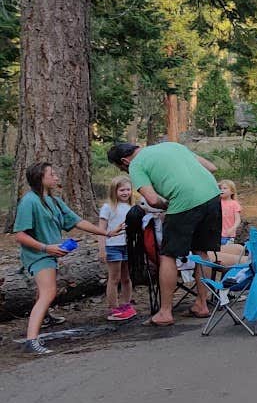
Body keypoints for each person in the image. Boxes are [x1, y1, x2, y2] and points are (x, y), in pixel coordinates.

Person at [107, 141, 220, 327]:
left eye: (122, 168)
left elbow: (151, 199)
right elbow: (211, 167)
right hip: (212, 195)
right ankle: (202, 303)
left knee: (168, 255)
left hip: (184, 201)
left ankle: (165, 312)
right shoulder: (171, 145)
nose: (125, 171)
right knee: (201, 251)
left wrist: (167, 205)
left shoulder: (136, 164)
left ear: (124, 161)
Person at [13, 162, 110, 354]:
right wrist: (46, 247)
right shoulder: (29, 201)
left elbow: (77, 221)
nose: (56, 177)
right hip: (38, 254)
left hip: (50, 253)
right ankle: (31, 341)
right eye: (52, 174)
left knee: (44, 290)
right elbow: (20, 235)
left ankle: (45, 317)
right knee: (48, 292)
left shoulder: (54, 200)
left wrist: (106, 233)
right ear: (40, 178)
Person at [97, 176, 138, 323]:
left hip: (128, 246)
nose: (125, 193)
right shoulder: (108, 207)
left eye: (128, 189)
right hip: (113, 245)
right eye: (122, 190)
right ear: (114, 191)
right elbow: (101, 230)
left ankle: (126, 304)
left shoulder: (132, 207)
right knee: (114, 278)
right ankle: (113, 308)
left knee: (126, 278)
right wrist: (102, 249)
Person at [218, 180, 242, 246]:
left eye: (225, 188)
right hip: (216, 235)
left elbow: (238, 220)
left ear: (232, 192)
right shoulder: (217, 202)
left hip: (228, 235)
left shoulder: (234, 204)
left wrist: (233, 228)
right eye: (220, 188)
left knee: (226, 250)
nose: (222, 190)